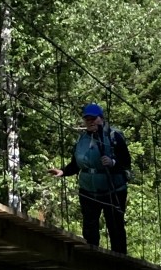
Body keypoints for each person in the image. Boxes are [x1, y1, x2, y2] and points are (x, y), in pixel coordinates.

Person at [49, 103, 131, 254]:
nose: (90, 121)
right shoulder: (82, 139)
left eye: (94, 118)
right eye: (87, 119)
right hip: (88, 191)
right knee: (89, 228)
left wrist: (112, 163)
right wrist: (63, 171)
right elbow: (76, 164)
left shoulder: (114, 137)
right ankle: (92, 259)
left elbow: (126, 162)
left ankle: (120, 261)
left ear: (101, 118)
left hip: (113, 191)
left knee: (115, 228)